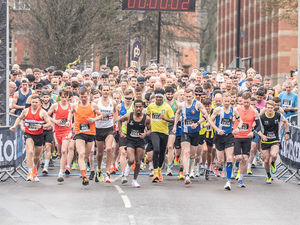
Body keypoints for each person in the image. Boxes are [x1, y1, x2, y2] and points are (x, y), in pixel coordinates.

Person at [173, 88, 217, 184]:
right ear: (184, 96)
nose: (188, 98)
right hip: (185, 131)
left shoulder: (197, 104)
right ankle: (186, 174)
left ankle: (189, 170)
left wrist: (197, 123)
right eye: (186, 96)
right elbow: (177, 114)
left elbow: (205, 115)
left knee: (193, 155)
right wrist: (175, 126)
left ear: (192, 96)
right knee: (186, 152)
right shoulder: (181, 105)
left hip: (195, 132)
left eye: (190, 96)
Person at [10, 95, 51, 182]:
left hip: (39, 135)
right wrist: (14, 126)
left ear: (40, 103)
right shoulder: (26, 111)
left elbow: (49, 124)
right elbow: (19, 118)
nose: (34, 104)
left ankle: (35, 171)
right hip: (29, 134)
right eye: (33, 102)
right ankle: (29, 173)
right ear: (30, 103)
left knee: (37, 157)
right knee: (30, 151)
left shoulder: (43, 112)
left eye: (36, 102)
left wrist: (42, 126)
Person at [69, 86, 104, 186]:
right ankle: (84, 176)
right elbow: (70, 113)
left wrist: (94, 119)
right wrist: (68, 120)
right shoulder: (75, 106)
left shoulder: (93, 105)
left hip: (90, 133)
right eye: (82, 97)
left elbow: (101, 115)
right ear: (79, 96)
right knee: (81, 154)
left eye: (85, 97)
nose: (84, 98)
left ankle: (86, 169)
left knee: (86, 155)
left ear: (88, 96)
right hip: (79, 132)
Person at [210, 93, 242, 190]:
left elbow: (241, 121)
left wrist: (238, 128)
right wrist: (217, 129)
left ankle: (228, 181)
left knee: (229, 158)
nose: (227, 103)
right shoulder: (218, 110)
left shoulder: (234, 110)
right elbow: (210, 121)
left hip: (229, 136)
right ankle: (218, 164)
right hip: (219, 137)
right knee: (221, 160)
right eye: (225, 101)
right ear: (223, 100)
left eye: (229, 101)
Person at [118, 100, 151, 187]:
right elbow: (119, 121)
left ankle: (134, 180)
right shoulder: (129, 116)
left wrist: (145, 134)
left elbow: (150, 129)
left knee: (138, 162)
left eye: (140, 107)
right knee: (131, 159)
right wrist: (120, 132)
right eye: (136, 107)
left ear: (142, 107)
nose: (138, 108)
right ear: (134, 107)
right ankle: (126, 172)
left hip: (140, 141)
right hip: (130, 140)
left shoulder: (146, 118)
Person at [258, 100, 290, 184]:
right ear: (265, 108)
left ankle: (273, 162)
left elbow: (286, 121)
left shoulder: (278, 115)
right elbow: (257, 129)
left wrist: (287, 133)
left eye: (271, 108)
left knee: (274, 154)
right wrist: (262, 136)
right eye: (268, 108)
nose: (270, 109)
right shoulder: (262, 117)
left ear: (274, 108)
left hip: (275, 139)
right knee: (265, 161)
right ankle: (268, 175)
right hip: (265, 140)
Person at [147, 88, 174, 183]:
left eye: (160, 97)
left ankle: (159, 170)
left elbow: (173, 119)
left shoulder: (167, 107)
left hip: (164, 132)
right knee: (156, 149)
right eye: (157, 97)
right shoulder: (151, 106)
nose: (158, 99)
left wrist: (165, 118)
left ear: (163, 98)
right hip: (154, 132)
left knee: (162, 152)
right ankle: (155, 173)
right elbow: (146, 116)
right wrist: (147, 127)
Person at [233, 92, 260, 187]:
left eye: (248, 102)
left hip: (247, 137)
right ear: (242, 102)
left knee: (245, 158)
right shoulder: (236, 110)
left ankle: (240, 179)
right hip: (237, 137)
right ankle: (232, 162)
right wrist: (234, 129)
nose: (246, 104)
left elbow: (259, 125)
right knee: (238, 158)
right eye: (245, 102)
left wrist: (253, 132)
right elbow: (230, 121)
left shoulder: (254, 111)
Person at [48, 89, 73, 182]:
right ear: (59, 97)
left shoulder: (71, 106)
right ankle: (65, 164)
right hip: (57, 131)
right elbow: (47, 115)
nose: (64, 99)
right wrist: (55, 121)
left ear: (68, 97)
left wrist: (68, 121)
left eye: (66, 97)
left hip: (67, 130)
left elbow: (71, 115)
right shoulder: (55, 105)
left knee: (64, 150)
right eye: (62, 97)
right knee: (59, 152)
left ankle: (62, 171)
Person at [94, 84, 117, 183]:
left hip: (109, 128)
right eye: (104, 90)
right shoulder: (96, 102)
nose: (106, 92)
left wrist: (115, 122)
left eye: (107, 90)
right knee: (99, 153)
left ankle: (107, 172)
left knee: (109, 149)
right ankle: (99, 169)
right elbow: (92, 112)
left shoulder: (113, 102)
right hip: (98, 128)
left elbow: (115, 112)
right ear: (101, 91)